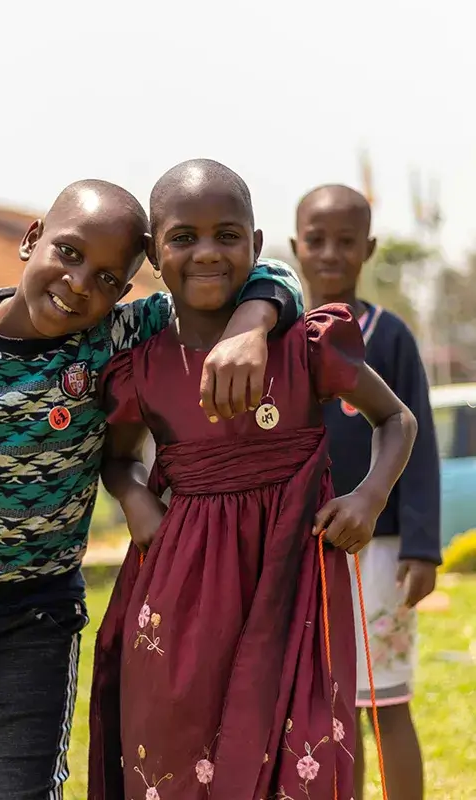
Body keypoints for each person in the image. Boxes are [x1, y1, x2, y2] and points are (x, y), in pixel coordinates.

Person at [0, 178, 303, 800]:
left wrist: (252, 323)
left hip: (37, 613)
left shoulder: (114, 336)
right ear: (31, 240)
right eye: (68, 254)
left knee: (22, 789)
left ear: (124, 292)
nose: (78, 284)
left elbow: (272, 271)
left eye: (104, 279)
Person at [88, 160, 417, 800]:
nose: (207, 252)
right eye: (183, 237)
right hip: (181, 583)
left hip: (296, 578)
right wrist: (133, 497)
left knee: (304, 748)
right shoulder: (142, 370)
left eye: (227, 235)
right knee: (175, 741)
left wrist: (369, 496)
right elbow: (119, 457)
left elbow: (396, 420)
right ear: (154, 252)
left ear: (257, 246)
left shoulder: (305, 347)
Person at [291, 184, 441, 800]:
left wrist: (423, 547)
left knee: (387, 702)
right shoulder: (275, 338)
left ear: (369, 248)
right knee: (328, 709)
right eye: (317, 240)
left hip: (377, 552)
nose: (330, 252)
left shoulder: (391, 336)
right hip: (300, 551)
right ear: (295, 246)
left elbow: (419, 442)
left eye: (346, 241)